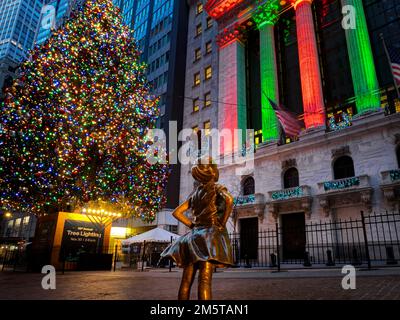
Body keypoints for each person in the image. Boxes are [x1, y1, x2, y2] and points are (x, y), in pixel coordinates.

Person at [160, 156, 233, 300]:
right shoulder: (216, 188)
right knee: (204, 281)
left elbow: (176, 213)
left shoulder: (195, 194)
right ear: (212, 172)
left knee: (186, 280)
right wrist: (222, 223)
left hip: (192, 237)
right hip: (208, 237)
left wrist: (192, 225)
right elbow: (229, 200)